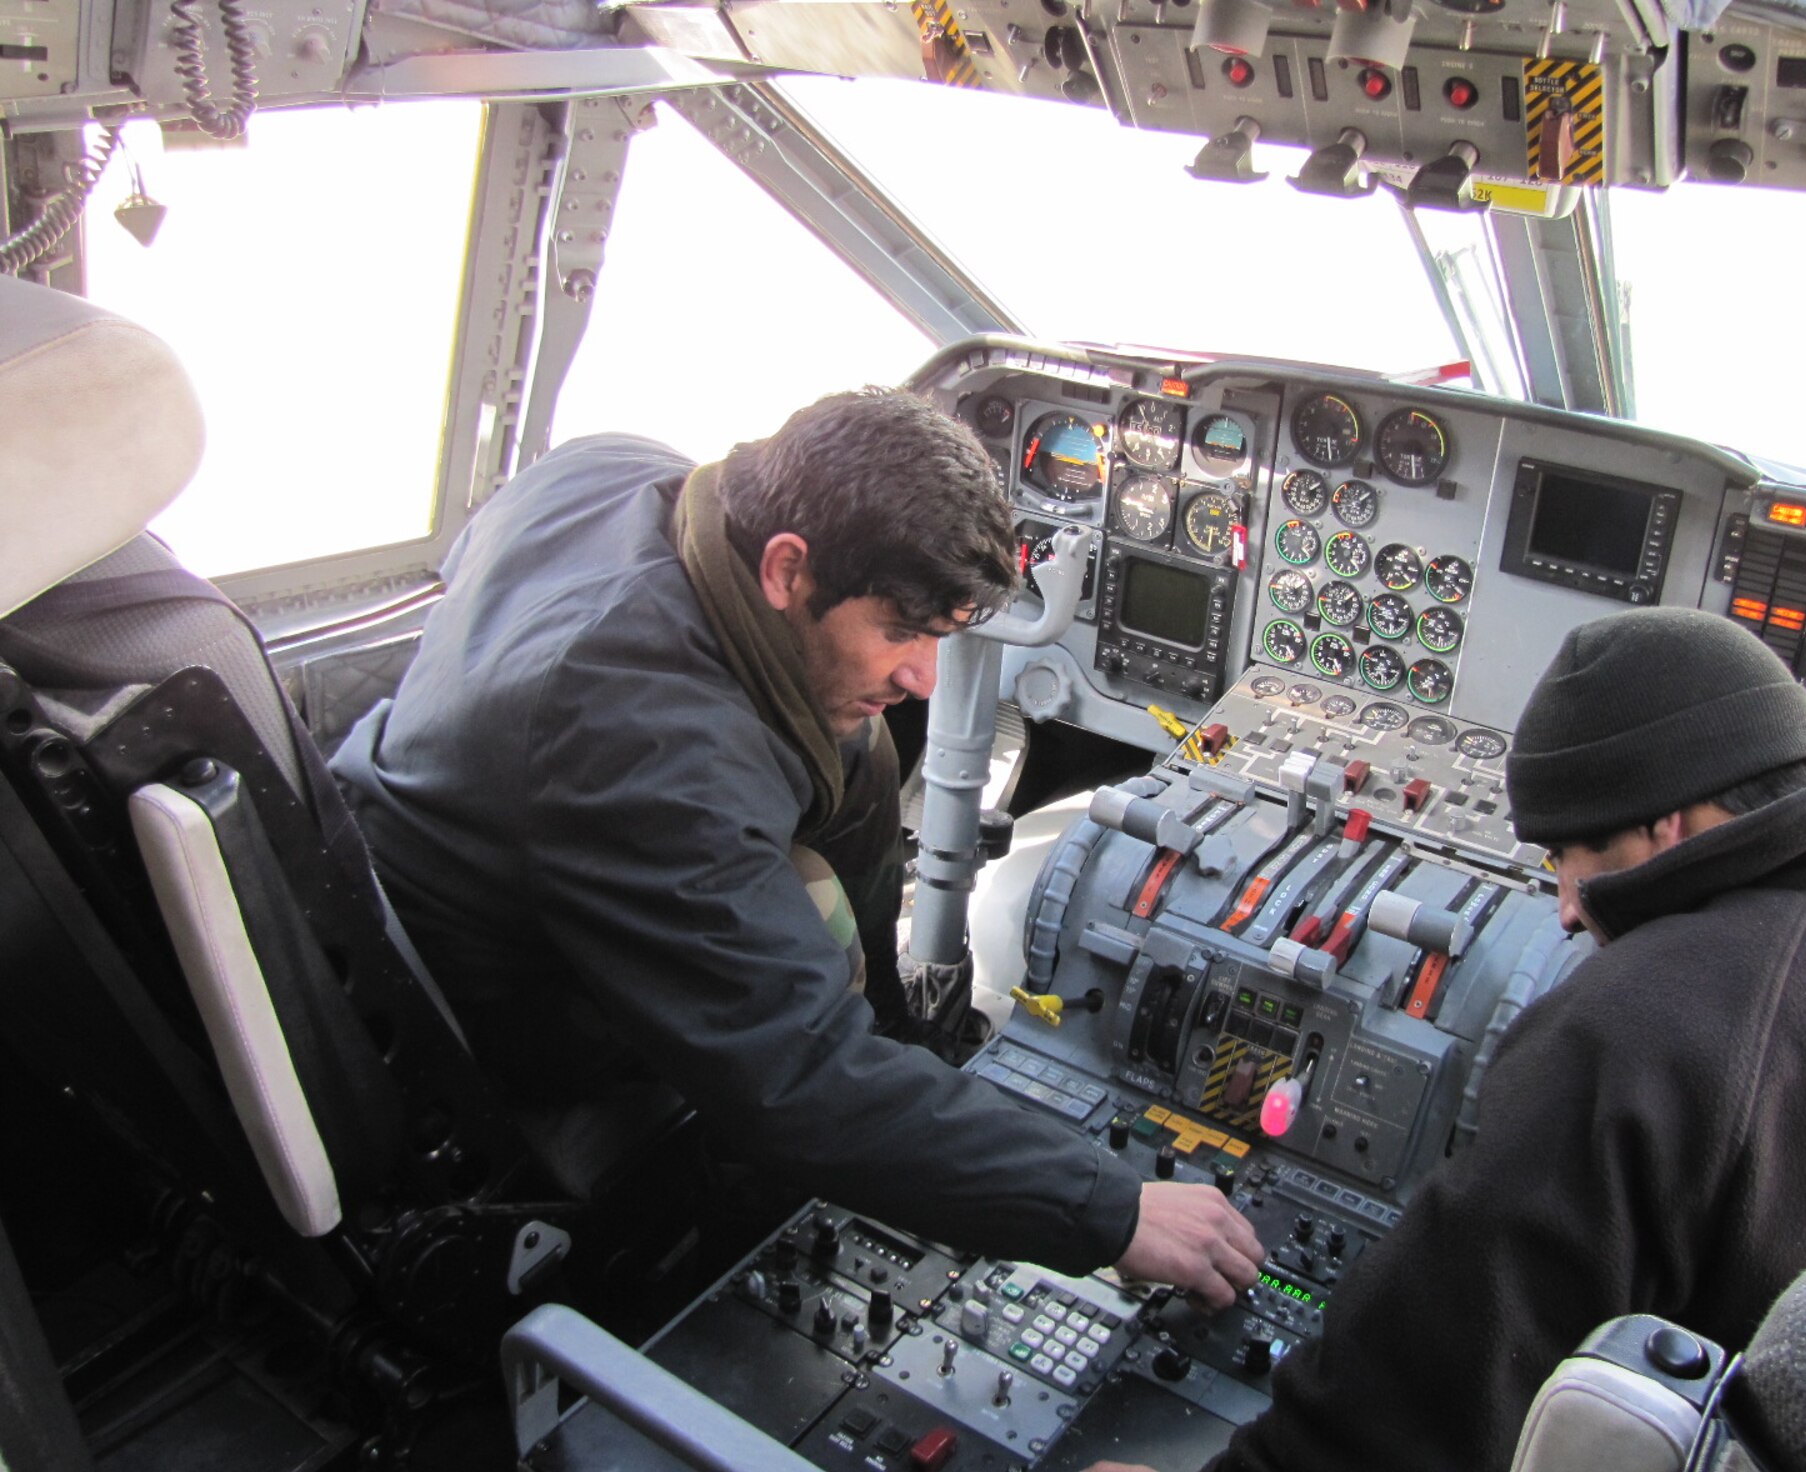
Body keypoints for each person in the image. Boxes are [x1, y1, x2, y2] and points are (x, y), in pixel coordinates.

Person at [331, 389, 1262, 1300]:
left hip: (413, 833)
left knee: (849, 733)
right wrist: (1109, 1209)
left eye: (943, 636)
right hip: (488, 1003)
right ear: (785, 568)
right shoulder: (647, 751)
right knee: (808, 949)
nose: (925, 679)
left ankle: (902, 1035)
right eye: (900, 630)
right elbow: (804, 1079)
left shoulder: (612, 470)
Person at [1065, 606, 1806, 1472]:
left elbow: (1420, 1408)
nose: (1562, 908)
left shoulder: (1649, 1017)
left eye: (1566, 860)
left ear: (1664, 827)